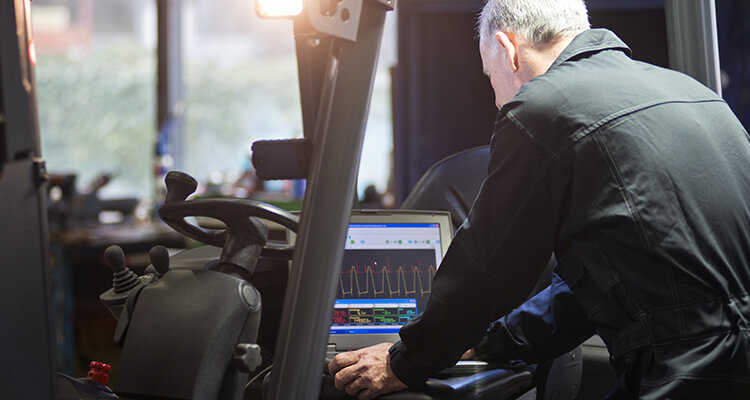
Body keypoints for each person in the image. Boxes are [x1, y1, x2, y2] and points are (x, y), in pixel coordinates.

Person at [328, 0, 750, 398]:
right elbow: (595, 287)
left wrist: (404, 363)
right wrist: (484, 344)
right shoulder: (692, 92)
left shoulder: (544, 107)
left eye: (489, 76)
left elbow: (487, 267)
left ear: (507, 48)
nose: (496, 99)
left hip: (690, 368)